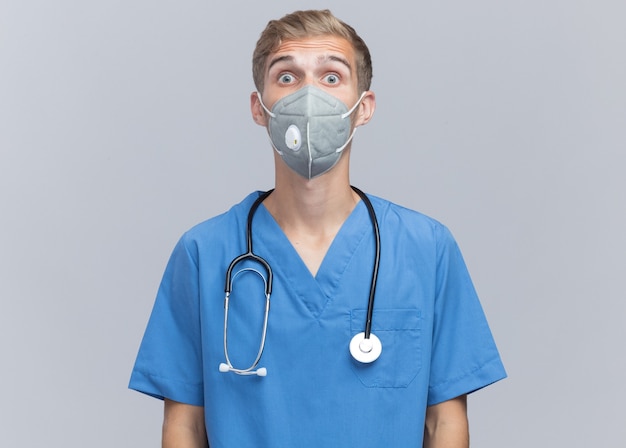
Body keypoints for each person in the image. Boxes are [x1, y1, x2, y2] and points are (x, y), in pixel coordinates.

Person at [129, 9, 506, 447]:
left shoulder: (425, 249)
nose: (309, 95)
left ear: (363, 108)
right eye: (287, 77)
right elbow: (185, 427)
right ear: (259, 107)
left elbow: (444, 425)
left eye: (331, 77)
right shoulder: (204, 253)